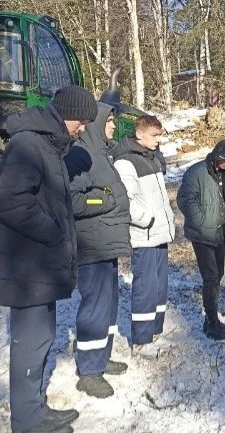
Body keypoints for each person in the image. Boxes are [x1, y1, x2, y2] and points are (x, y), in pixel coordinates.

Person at [0, 85, 97, 433]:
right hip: (27, 266)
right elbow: (13, 203)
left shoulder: (47, 145)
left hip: (38, 265)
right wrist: (55, 232)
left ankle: (34, 409)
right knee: (30, 344)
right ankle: (28, 422)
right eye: (82, 121)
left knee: (40, 340)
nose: (82, 129)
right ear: (69, 116)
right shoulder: (29, 144)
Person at [65, 103, 131, 399]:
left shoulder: (100, 154)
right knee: (94, 307)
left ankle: (101, 356)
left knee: (108, 305)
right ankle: (89, 372)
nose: (114, 127)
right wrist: (103, 203)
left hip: (106, 245)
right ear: (95, 124)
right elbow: (76, 201)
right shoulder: (80, 155)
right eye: (110, 121)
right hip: (91, 247)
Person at [113, 115, 176, 359]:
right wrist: (147, 220)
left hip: (160, 234)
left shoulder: (152, 158)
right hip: (145, 235)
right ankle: (141, 339)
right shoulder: (126, 162)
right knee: (145, 287)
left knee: (160, 285)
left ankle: (156, 330)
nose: (158, 141)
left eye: (160, 135)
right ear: (139, 135)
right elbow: (125, 201)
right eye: (154, 135)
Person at [177, 138, 225, 340]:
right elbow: (185, 199)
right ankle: (212, 322)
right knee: (211, 277)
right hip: (202, 234)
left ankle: (210, 318)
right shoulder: (196, 172)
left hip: (220, 232)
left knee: (218, 274)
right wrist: (201, 222)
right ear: (217, 157)